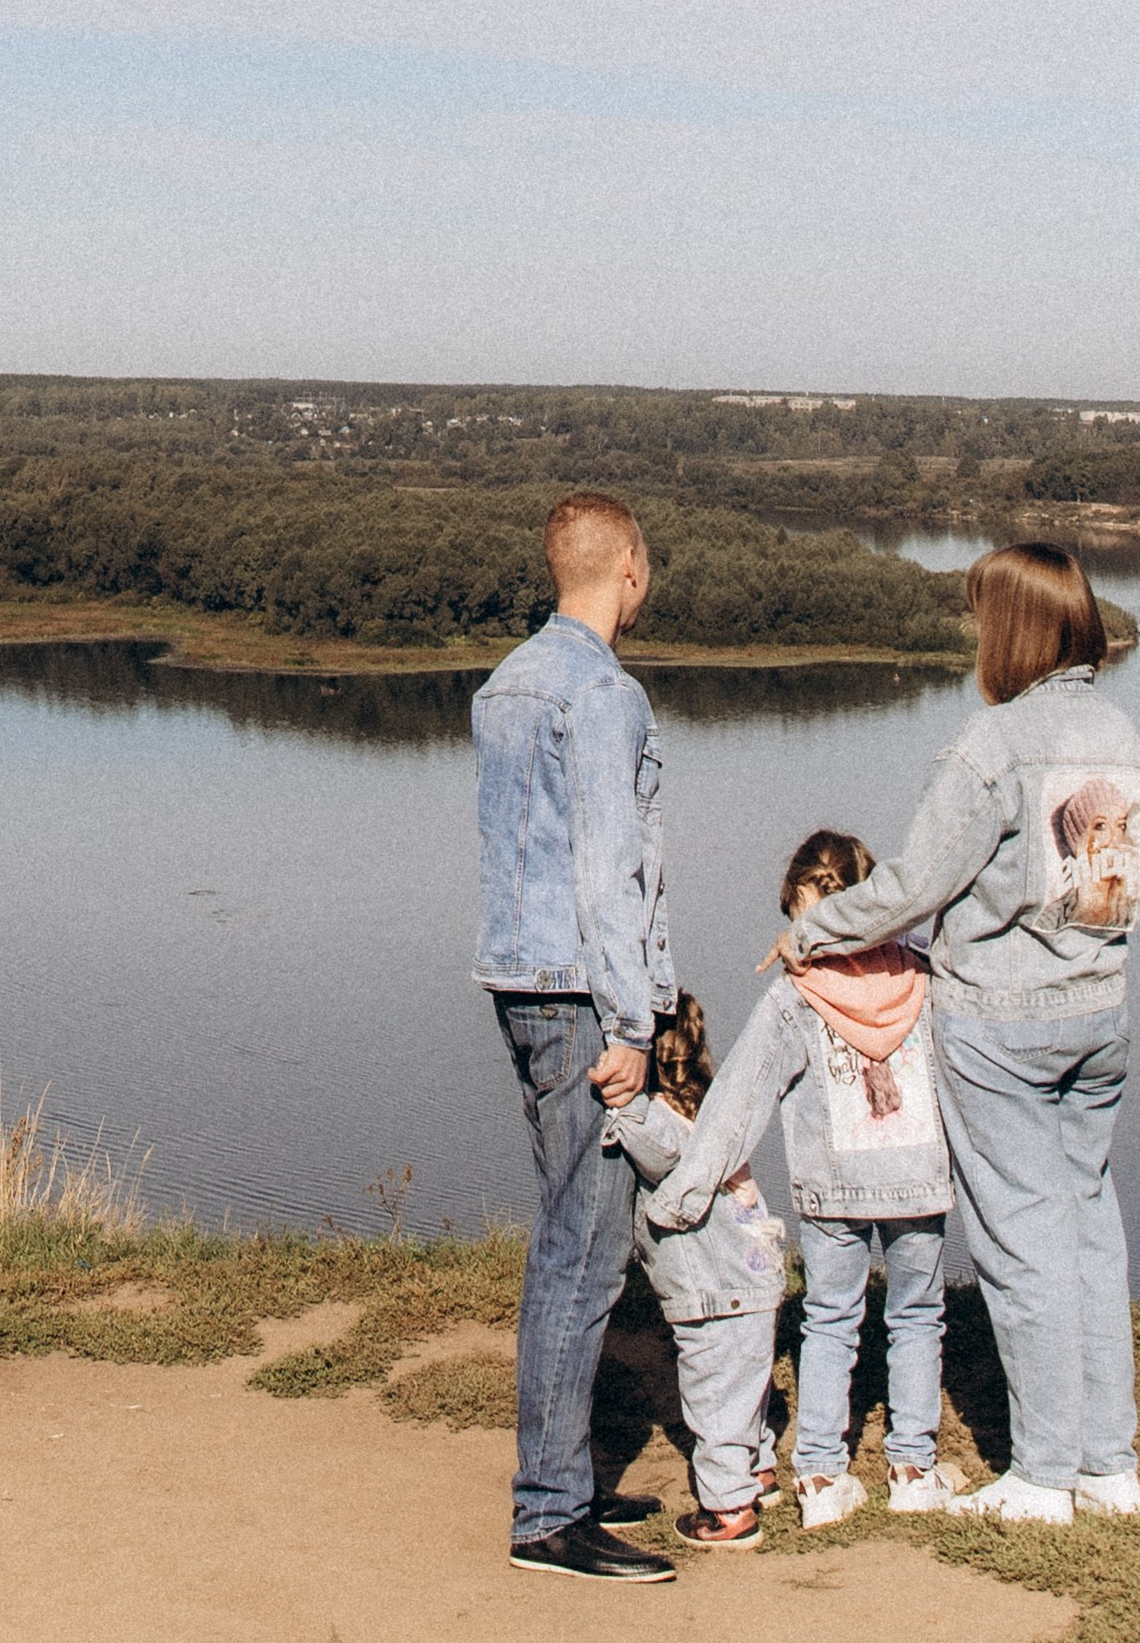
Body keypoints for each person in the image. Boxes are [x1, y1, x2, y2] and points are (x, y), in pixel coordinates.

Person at [776, 542, 1140, 1528]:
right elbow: (1117, 880)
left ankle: (1039, 1473)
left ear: (1012, 629)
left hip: (1002, 1023)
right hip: (1100, 1010)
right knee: (1087, 1227)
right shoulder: (1118, 731)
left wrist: (813, 930)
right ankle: (1108, 1465)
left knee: (1019, 1242)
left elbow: (912, 885)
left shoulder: (991, 745)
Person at [473, 489, 679, 1586]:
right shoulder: (602, 696)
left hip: (519, 984)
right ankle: (549, 1514)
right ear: (629, 570)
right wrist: (635, 1022)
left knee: (568, 1232)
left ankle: (566, 1476)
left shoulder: (510, 681)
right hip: (580, 1000)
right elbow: (607, 871)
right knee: (584, 1251)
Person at [643, 827, 961, 1526]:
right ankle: (912, 1466)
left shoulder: (793, 999)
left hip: (831, 1191)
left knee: (828, 1318)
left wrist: (683, 1192)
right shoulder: (925, 975)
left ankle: (819, 1473)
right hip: (918, 1180)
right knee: (916, 1316)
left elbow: (736, 1101)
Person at [603, 995, 789, 1551]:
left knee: (712, 1397)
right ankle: (759, 1472)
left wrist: (613, 1094)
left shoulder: (656, 1120)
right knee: (746, 1389)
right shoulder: (712, 1106)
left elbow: (650, 1147)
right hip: (757, 1276)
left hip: (712, 1290)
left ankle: (728, 1510)